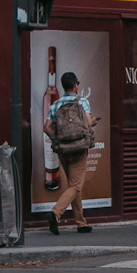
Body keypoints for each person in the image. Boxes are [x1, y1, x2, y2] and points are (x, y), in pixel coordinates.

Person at [47, 69, 96, 234]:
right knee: (75, 186)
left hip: (63, 150)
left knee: (74, 185)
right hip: (79, 148)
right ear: (75, 86)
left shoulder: (55, 105)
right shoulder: (82, 102)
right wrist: (93, 121)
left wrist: (57, 140)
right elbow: (88, 123)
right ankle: (55, 213)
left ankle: (81, 223)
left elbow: (46, 127)